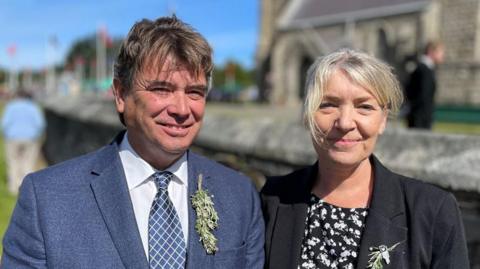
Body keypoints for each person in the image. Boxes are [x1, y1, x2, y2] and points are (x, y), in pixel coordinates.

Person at [1, 16, 264, 269]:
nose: (182, 109)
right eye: (162, 89)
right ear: (120, 94)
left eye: (194, 92)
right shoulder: (48, 199)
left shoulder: (240, 195)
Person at [261, 49, 469, 269]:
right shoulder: (273, 199)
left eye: (364, 107)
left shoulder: (432, 211)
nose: (345, 122)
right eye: (328, 104)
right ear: (308, 114)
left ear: (383, 120)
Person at [1, 88, 45, 195]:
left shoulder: (11, 107)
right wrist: (37, 135)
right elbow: (40, 124)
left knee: (13, 162)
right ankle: (26, 188)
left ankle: (13, 188)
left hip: (13, 138)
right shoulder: (33, 107)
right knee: (28, 162)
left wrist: (6, 135)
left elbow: (4, 124)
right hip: (30, 138)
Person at [406, 41, 445, 129]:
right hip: (420, 119)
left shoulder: (423, 68)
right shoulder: (424, 70)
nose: (443, 56)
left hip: (419, 117)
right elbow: (423, 96)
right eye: (440, 52)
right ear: (431, 51)